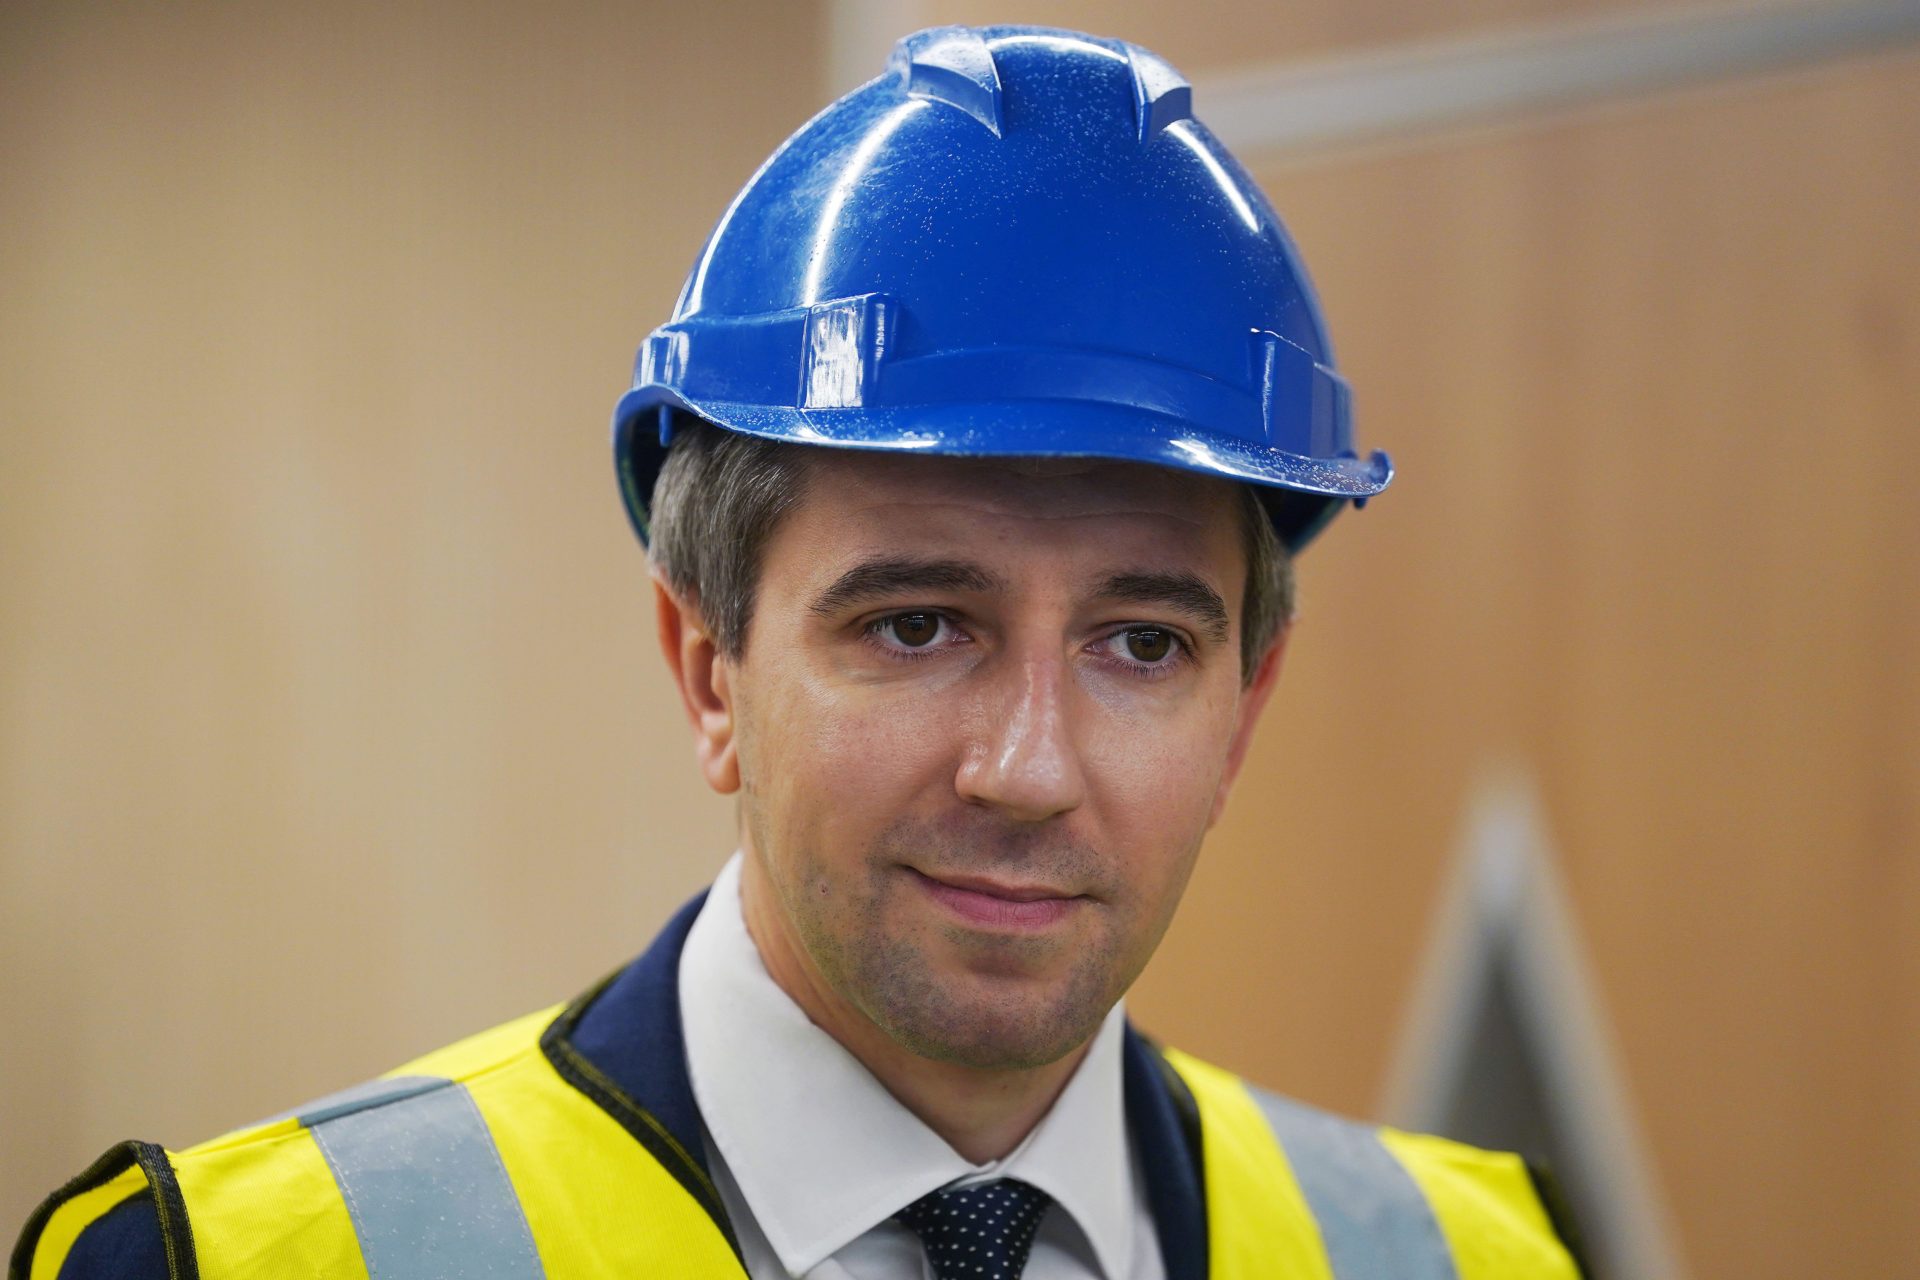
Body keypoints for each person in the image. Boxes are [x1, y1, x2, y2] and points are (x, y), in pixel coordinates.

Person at [15, 25, 1586, 1280]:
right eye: (917, 625)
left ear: (1243, 711)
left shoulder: (1463, 1261)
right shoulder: (237, 1265)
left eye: (1142, 642)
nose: (1029, 769)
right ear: (710, 669)